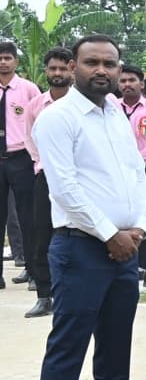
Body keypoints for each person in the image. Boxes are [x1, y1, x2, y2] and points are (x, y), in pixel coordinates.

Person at [32, 35, 146, 380]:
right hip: (81, 248)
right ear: (73, 66)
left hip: (126, 249)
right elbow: (65, 189)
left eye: (110, 63)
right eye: (92, 62)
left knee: (116, 344)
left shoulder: (116, 114)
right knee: (69, 347)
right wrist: (109, 234)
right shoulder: (57, 119)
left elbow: (136, 176)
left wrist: (139, 224)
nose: (102, 70)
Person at [20, 47, 74, 319]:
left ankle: (74, 292)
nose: (57, 73)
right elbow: (29, 137)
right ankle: (44, 295)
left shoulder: (84, 102)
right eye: (52, 68)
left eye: (62, 69)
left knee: (77, 234)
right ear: (46, 71)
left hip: (79, 178)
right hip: (46, 176)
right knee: (42, 233)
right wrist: (42, 162)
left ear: (72, 70)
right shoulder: (36, 105)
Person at [116, 68, 146, 291]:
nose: (127, 84)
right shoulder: (109, 108)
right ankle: (124, 264)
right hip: (113, 173)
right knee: (119, 218)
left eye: (132, 80)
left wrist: (136, 165)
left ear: (141, 84)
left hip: (143, 172)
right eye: (123, 80)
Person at [0, 41, 42, 293]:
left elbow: (42, 120)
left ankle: (34, 271)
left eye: (8, 58)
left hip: (21, 157)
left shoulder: (28, 89)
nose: (3, 62)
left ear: (16, 62)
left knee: (29, 217)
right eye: (0, 58)